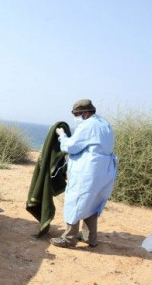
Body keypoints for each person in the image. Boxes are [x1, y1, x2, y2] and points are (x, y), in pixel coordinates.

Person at [50, 99, 118, 248]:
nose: (76, 117)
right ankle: (90, 238)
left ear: (86, 112)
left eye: (77, 114)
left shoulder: (88, 125)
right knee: (93, 203)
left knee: (76, 201)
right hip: (105, 170)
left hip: (89, 171)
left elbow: (71, 147)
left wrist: (62, 136)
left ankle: (69, 238)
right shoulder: (104, 124)